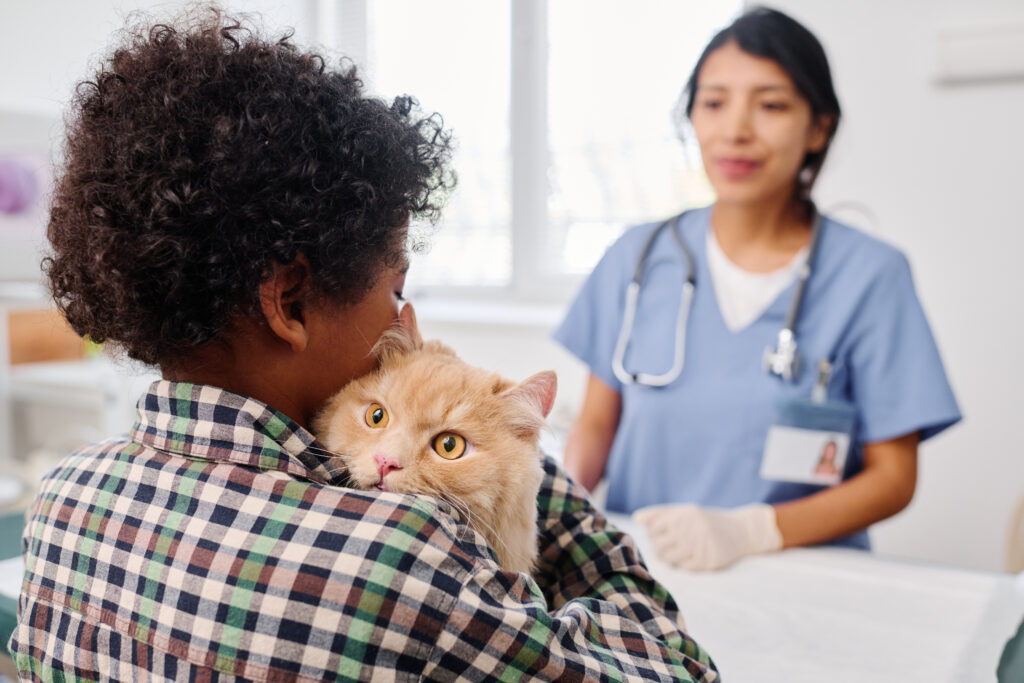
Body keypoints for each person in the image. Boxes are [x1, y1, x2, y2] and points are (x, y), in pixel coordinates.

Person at [9, 9, 718, 681]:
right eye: (396, 284)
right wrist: (510, 443)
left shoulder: (65, 499)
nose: (403, 314)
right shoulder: (402, 552)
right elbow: (677, 665)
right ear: (289, 302)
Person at [555, 6, 960, 571]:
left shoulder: (870, 276)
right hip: (642, 575)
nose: (736, 130)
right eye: (714, 102)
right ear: (691, 117)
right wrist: (552, 516)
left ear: (818, 127)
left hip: (802, 580)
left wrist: (754, 530)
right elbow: (596, 426)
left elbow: (893, 478)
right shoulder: (637, 258)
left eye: (770, 105)